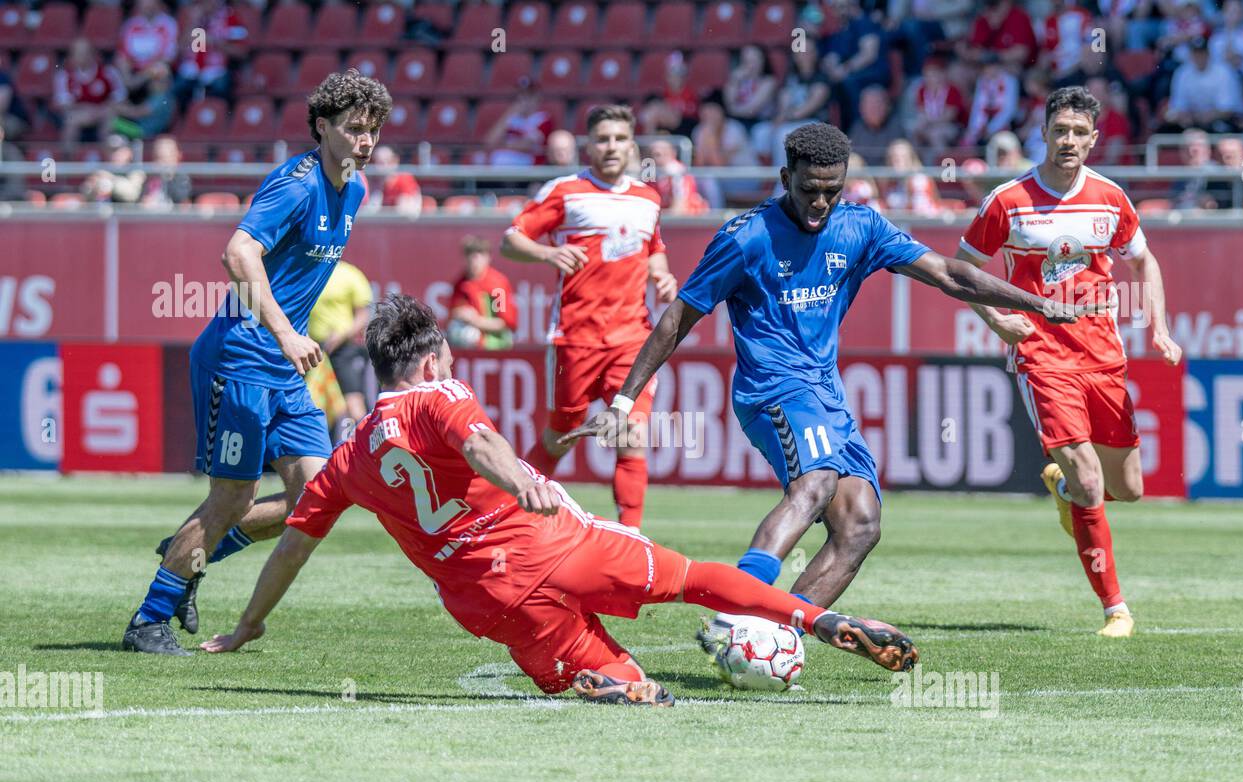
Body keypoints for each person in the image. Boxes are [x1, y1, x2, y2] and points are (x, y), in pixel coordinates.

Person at [199, 296, 920, 700]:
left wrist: (248, 625)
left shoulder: (349, 457)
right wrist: (528, 483)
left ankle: (613, 684)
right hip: (559, 547)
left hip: (489, 603)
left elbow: (293, 546)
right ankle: (813, 617)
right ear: (426, 361)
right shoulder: (437, 395)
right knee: (696, 580)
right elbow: (480, 444)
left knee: (639, 691)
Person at [561, 122, 1096, 615]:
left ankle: (776, 632)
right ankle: (738, 614)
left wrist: (1038, 303)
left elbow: (950, 274)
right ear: (784, 177)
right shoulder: (746, 237)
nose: (820, 202)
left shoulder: (860, 226)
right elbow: (680, 315)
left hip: (826, 395)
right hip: (770, 389)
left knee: (861, 525)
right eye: (808, 189)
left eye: (832, 190)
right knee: (815, 482)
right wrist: (625, 401)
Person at [121, 70, 392, 655]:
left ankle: (189, 553)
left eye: (373, 130)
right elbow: (237, 251)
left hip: (283, 367)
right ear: (322, 127)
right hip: (240, 358)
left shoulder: (357, 188)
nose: (365, 140)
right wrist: (284, 333)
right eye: (353, 129)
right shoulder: (295, 184)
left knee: (317, 494)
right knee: (232, 500)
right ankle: (148, 619)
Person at [955, 86, 1182, 639]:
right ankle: (1116, 610)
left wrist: (1160, 326)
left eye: (1080, 133)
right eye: (1061, 131)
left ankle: (1062, 490)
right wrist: (995, 319)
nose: (1070, 141)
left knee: (1126, 489)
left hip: (1104, 356)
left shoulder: (1110, 197)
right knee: (1088, 480)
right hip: (1042, 355)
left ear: (1094, 139)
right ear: (1045, 133)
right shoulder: (1008, 201)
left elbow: (1144, 261)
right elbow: (962, 268)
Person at [501, 104, 676, 532]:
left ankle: (632, 536)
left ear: (632, 145)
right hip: (575, 337)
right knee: (561, 433)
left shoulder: (648, 198)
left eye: (619, 138)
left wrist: (663, 275)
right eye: (602, 139)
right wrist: (547, 252)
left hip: (633, 338)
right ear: (589, 145)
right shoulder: (566, 191)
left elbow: (653, 249)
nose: (611, 146)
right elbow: (510, 240)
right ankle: (507, 516)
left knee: (630, 434)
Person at [308, 258, 374, 436]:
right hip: (311, 349)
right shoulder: (309, 271)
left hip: (343, 349)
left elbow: (363, 315)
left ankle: (362, 448)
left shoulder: (350, 274)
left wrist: (342, 334)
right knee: (312, 401)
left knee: (354, 404)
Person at [54, 37, 128, 149]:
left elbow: (120, 98)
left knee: (110, 120)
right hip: (80, 115)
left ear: (93, 54)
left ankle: (108, 161)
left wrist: (100, 110)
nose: (82, 57)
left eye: (85, 53)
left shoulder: (108, 73)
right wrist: (87, 109)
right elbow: (63, 104)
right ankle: (67, 159)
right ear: (72, 56)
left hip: (104, 112)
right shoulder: (64, 76)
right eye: (78, 53)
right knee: (71, 121)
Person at [448, 235, 518, 350]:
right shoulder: (461, 284)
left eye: (478, 257)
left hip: (496, 346)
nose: (474, 262)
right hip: (469, 346)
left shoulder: (497, 286)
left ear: (488, 258)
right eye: (470, 257)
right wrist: (460, 314)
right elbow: (453, 314)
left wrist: (476, 321)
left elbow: (504, 324)